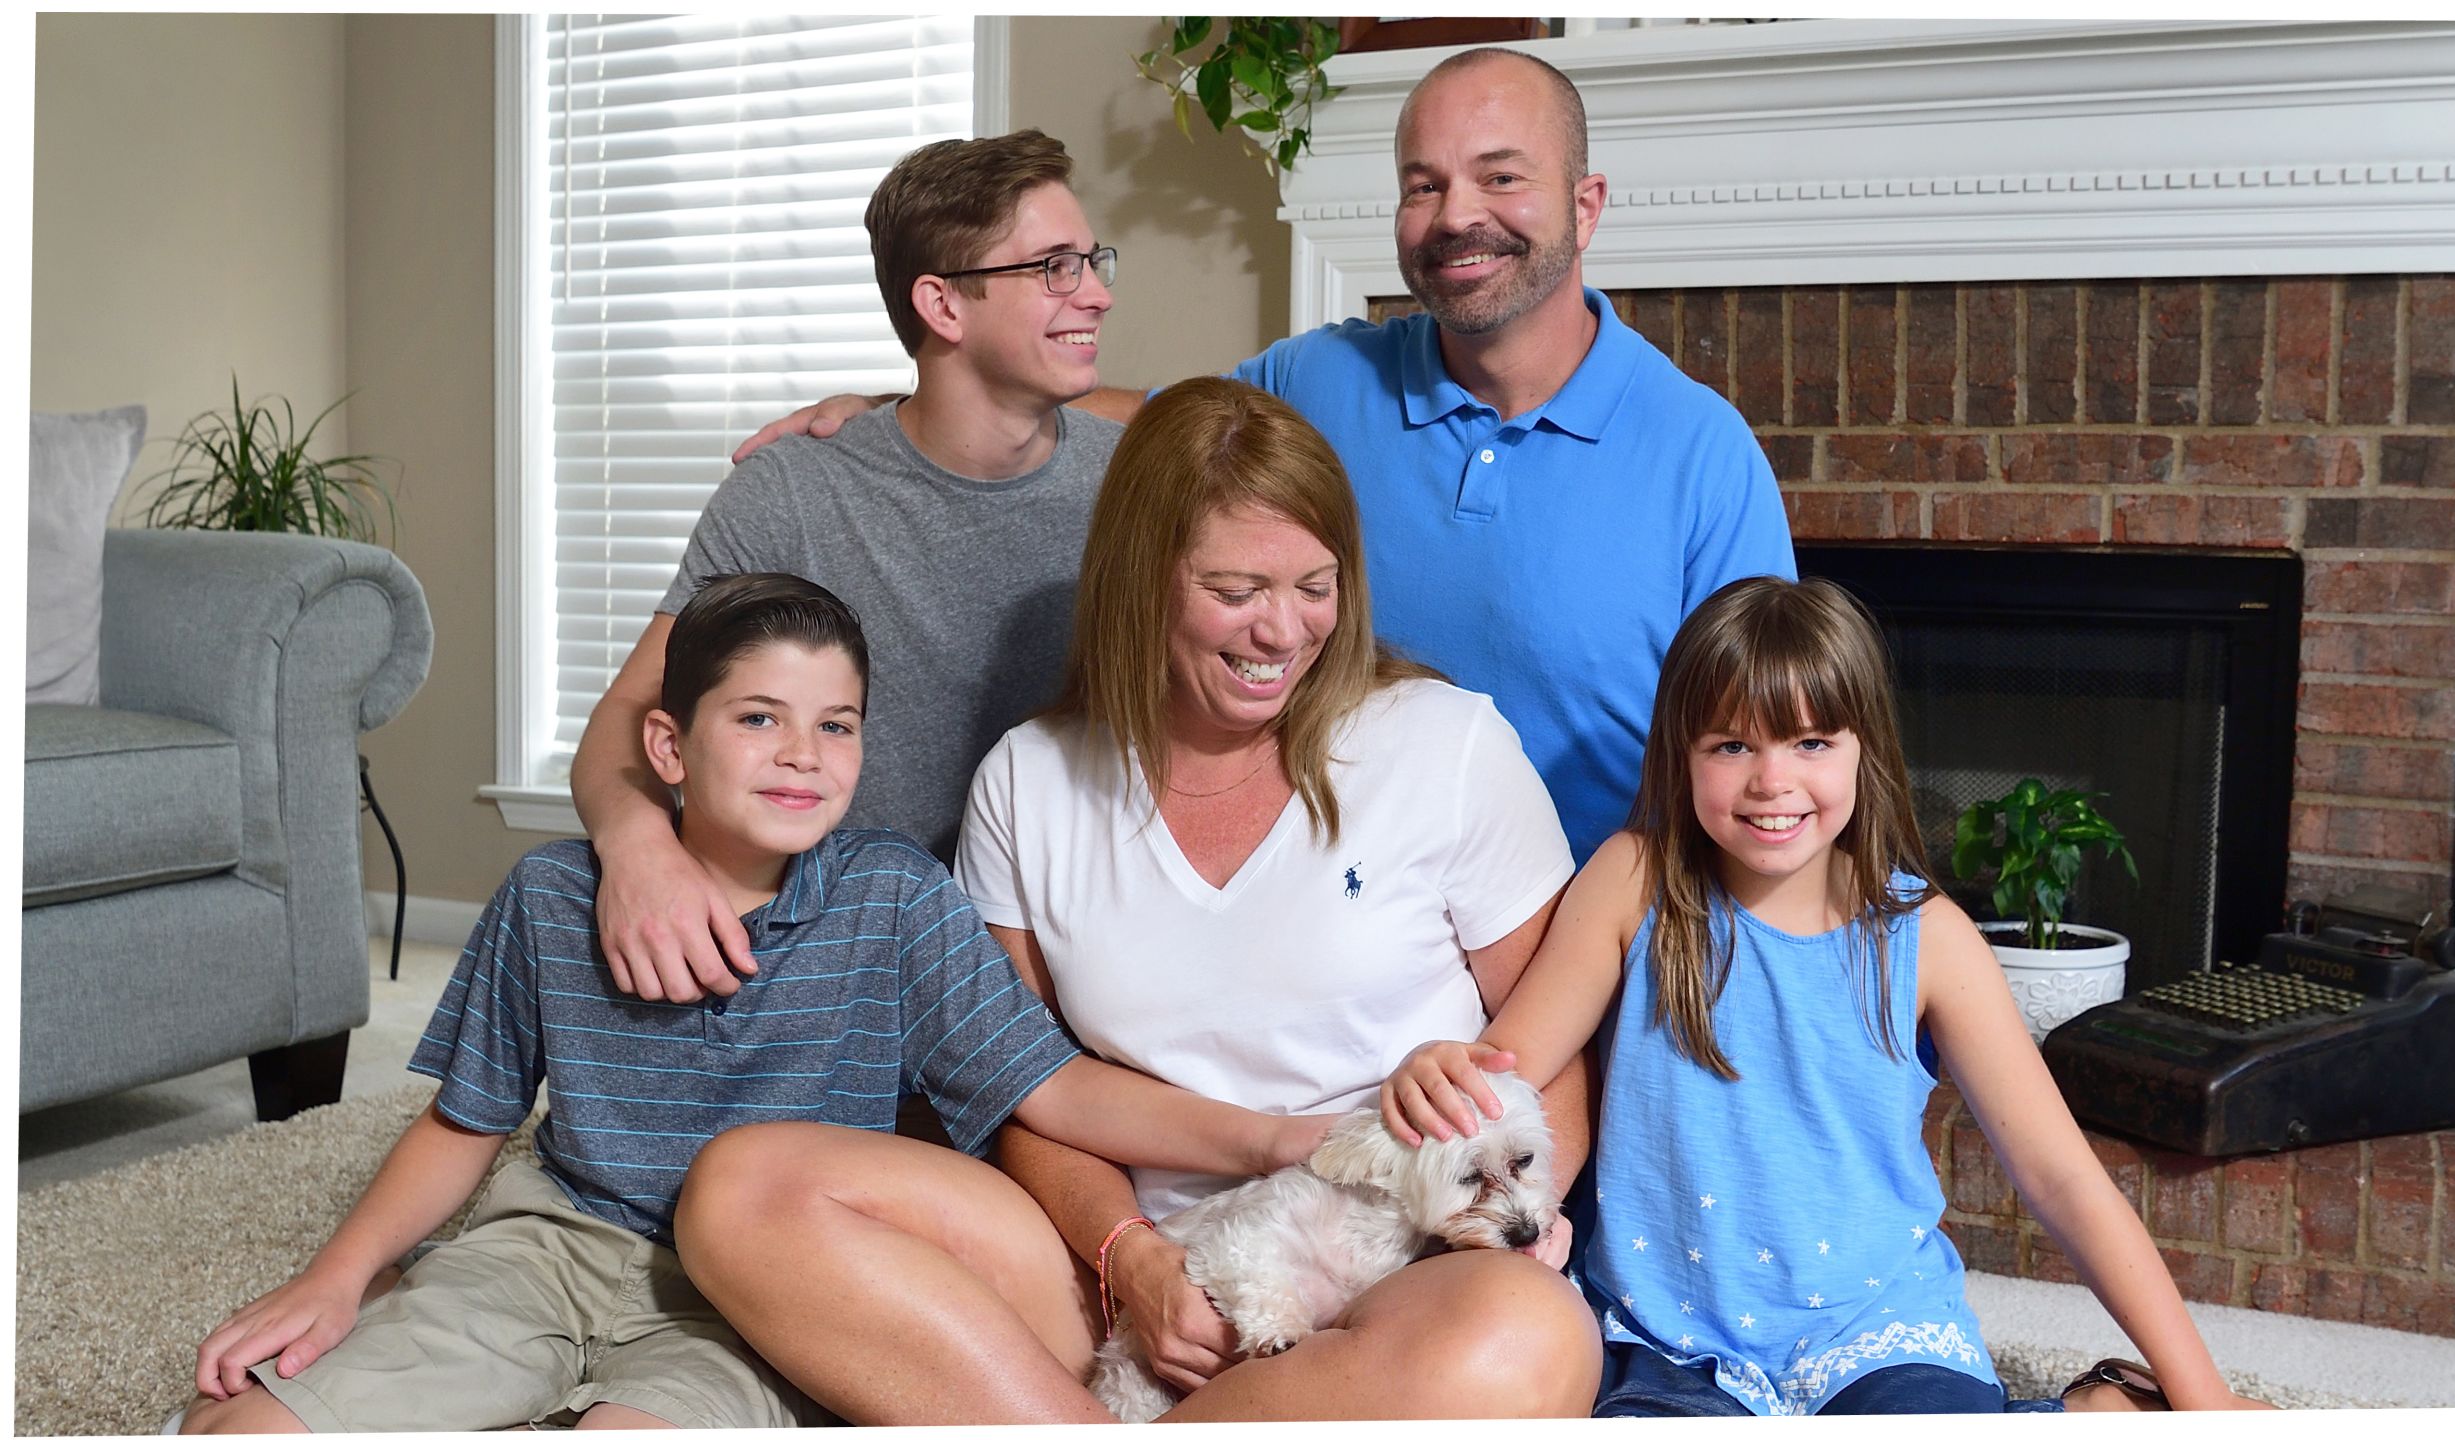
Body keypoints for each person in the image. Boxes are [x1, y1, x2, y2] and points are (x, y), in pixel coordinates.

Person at [179, 574, 1328, 1434]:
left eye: (836, 725)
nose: (803, 754)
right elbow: (463, 1121)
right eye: (760, 719)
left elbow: (1058, 1086)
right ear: (668, 747)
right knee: (246, 1428)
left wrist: (1271, 1138)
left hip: (750, 1299)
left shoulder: (893, 900)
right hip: (552, 1246)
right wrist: (336, 1277)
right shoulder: (549, 896)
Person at [675, 379, 1603, 1423]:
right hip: (1110, 1262)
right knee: (746, 1189)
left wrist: (1520, 1211)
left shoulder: (1446, 744)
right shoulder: (1028, 781)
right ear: (1142, 581)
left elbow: (1549, 1049)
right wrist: (1136, 1263)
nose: (1283, 630)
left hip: (1398, 1258)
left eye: (1314, 585)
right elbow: (1017, 1091)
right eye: (1236, 588)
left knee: (1527, 1344)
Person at [731, 46, 1798, 870]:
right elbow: (1142, 422)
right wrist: (909, 397)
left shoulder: (1703, 456)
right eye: (1421, 185)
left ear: (1585, 202)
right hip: (1330, 932)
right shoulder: (1321, 383)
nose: (1455, 215)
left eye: (1500, 176)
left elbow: (1760, 767)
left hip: (1585, 950)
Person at [1377, 576, 2268, 1416]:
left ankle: (2097, 1407)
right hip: (1669, 1339)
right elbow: (1505, 1076)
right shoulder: (1635, 882)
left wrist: (2208, 1403)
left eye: (1811, 742)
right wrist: (1438, 1069)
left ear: (1863, 750)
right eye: (1732, 745)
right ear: (1681, 755)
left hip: (1879, 1333)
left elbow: (2062, 1178)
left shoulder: (1932, 941)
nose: (1773, 781)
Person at [571, 129, 1123, 1009]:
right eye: (1055, 266)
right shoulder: (792, 490)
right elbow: (633, 719)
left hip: (1061, 952)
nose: (1095, 293)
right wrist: (638, 850)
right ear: (943, 306)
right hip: (834, 962)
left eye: (1093, 261)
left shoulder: (1135, 483)